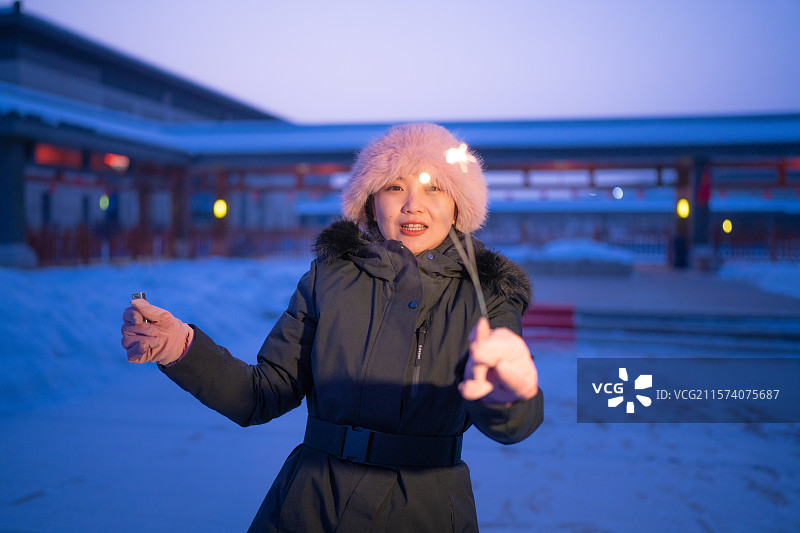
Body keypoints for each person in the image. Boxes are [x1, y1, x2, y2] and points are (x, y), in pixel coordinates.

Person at [121, 123, 543, 532]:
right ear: (370, 202)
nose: (413, 204)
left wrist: (510, 393)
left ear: (458, 205)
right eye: (395, 186)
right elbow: (262, 394)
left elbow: (514, 421)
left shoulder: (487, 293)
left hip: (424, 509)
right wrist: (182, 348)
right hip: (312, 503)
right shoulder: (330, 278)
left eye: (434, 187)